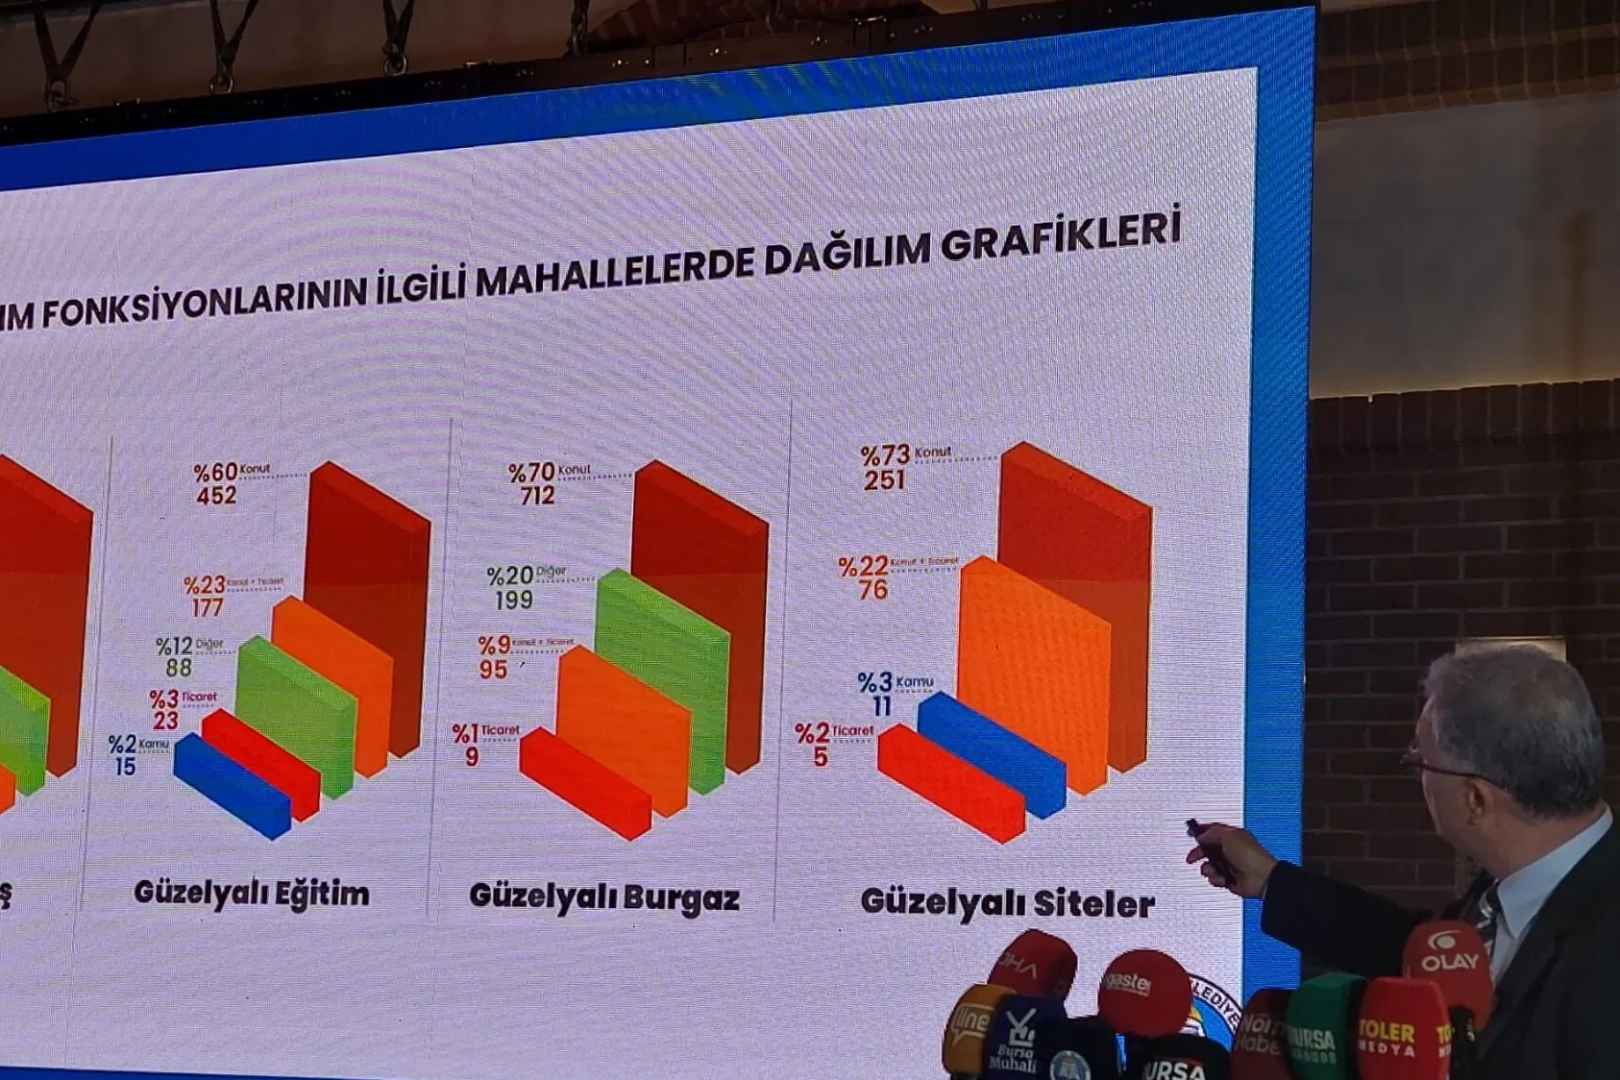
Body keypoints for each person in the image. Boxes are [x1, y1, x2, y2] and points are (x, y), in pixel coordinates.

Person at [1189, 642, 1618, 1080]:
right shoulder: (1511, 886)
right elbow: (1418, 953)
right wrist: (1271, 880)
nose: (1418, 776)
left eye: (1422, 762)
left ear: (1475, 798)